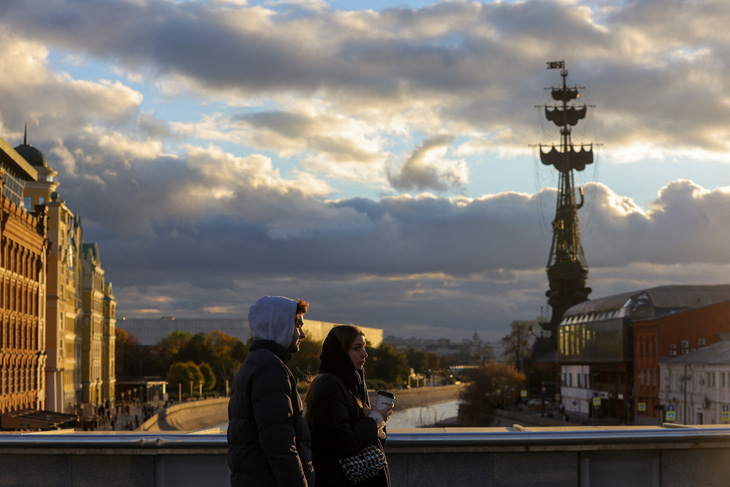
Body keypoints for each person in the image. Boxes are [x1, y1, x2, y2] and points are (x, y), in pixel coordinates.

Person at [227, 296, 315, 487]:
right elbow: (281, 446)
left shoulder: (256, 363)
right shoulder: (271, 370)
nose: (302, 335)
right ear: (280, 326)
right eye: (298, 326)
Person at [305, 325, 393, 486]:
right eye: (357, 348)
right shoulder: (329, 385)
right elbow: (342, 442)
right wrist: (375, 420)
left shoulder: (351, 381)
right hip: (339, 479)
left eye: (364, 347)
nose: (364, 354)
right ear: (340, 352)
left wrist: (376, 421)